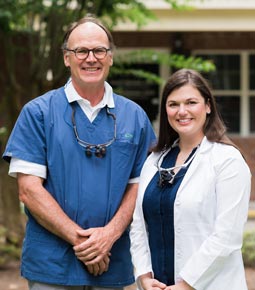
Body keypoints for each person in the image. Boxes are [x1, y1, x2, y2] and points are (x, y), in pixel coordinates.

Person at [2, 16, 156, 290]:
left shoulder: (135, 117)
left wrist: (108, 236)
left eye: (99, 50)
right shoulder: (38, 113)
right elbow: (29, 191)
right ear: (66, 58)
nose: (90, 58)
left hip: (112, 262)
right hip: (52, 266)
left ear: (110, 57)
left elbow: (140, 187)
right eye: (81, 51)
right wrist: (85, 243)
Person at [129, 69, 251, 290]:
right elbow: (138, 226)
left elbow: (227, 236)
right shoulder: (154, 160)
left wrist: (185, 285)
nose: (182, 111)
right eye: (173, 104)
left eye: (191, 102)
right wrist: (144, 276)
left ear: (207, 106)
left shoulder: (227, 161)